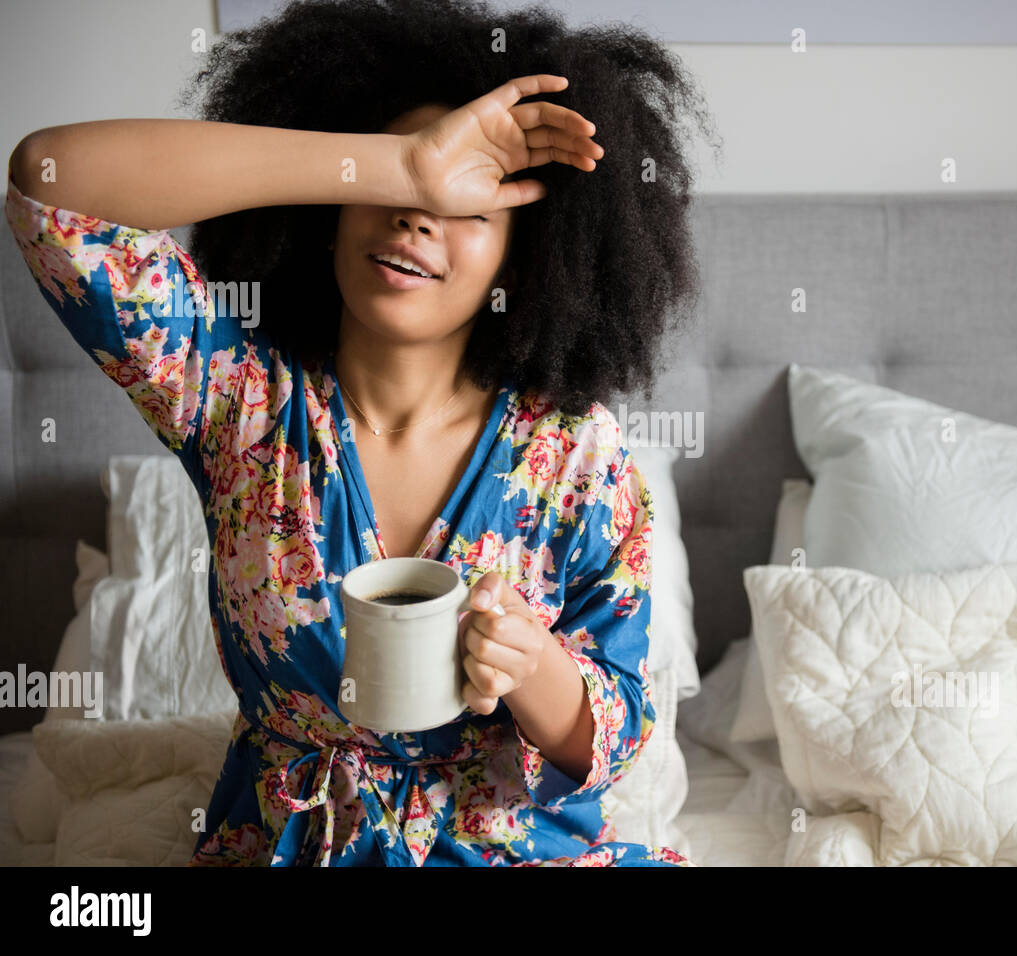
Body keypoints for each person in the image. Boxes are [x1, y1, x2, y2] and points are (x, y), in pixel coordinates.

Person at [3, 0, 715, 866]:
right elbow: (47, 176)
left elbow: (619, 732)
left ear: (520, 265)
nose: (417, 217)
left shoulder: (577, 455)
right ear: (337, 208)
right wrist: (404, 163)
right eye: (391, 194)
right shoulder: (236, 399)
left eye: (471, 208)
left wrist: (533, 668)